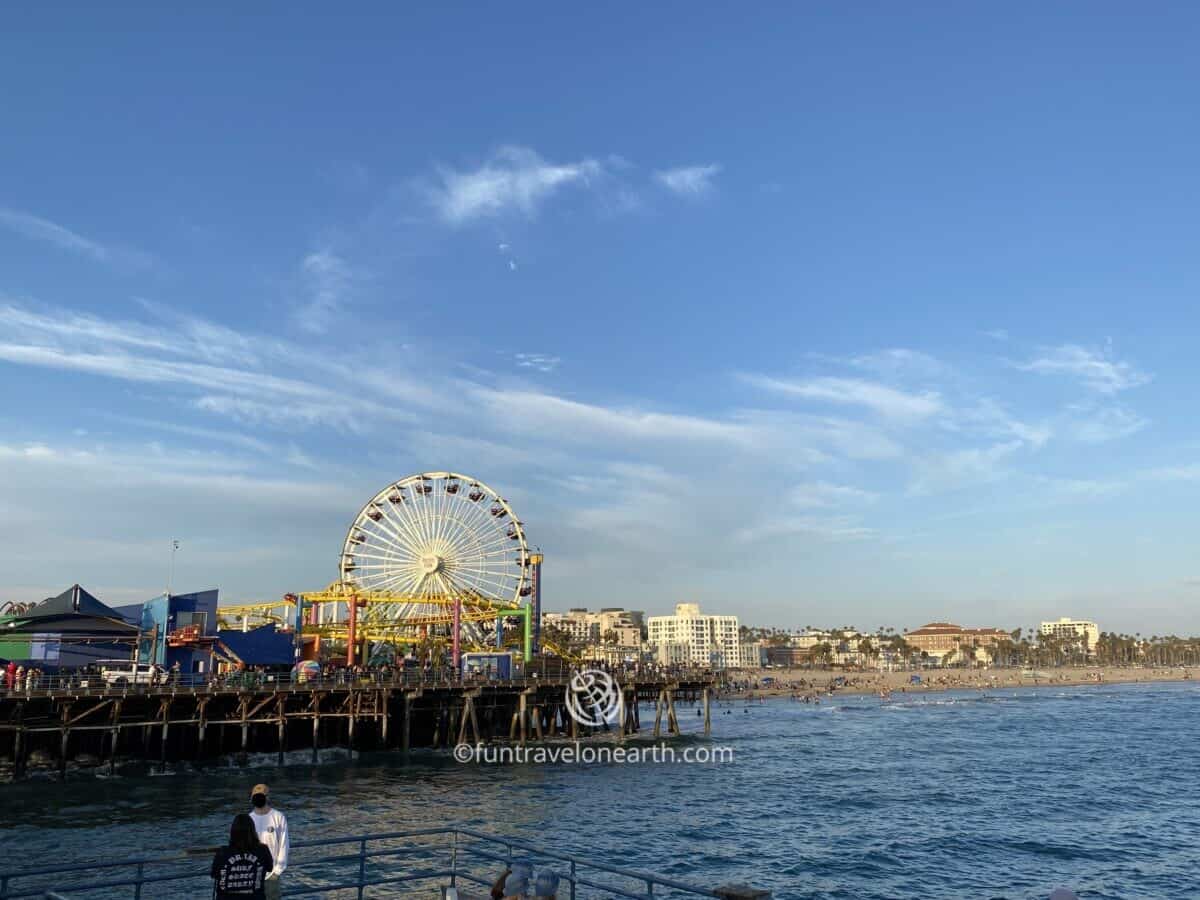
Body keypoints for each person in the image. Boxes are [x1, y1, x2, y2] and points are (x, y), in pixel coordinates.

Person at [211, 814, 273, 900]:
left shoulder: (222, 852)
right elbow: (270, 868)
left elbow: (214, 874)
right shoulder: (262, 850)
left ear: (232, 832)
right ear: (253, 831)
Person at [249, 784, 288, 900]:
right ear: (251, 798)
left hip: (271, 876)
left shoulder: (278, 817)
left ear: (268, 797)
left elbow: (284, 845)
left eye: (261, 796)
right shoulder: (248, 819)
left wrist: (277, 872)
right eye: (256, 796)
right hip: (251, 875)